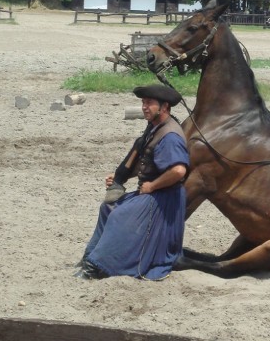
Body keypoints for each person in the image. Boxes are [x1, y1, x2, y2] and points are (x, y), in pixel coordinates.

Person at [76, 84, 190, 280]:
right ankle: (92, 257)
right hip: (152, 193)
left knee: (119, 216)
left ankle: (100, 266)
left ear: (164, 107)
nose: (145, 107)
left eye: (149, 103)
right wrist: (120, 176)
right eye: (143, 103)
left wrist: (153, 186)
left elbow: (179, 171)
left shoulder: (170, 135)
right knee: (109, 207)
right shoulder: (155, 128)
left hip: (164, 198)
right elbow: (148, 162)